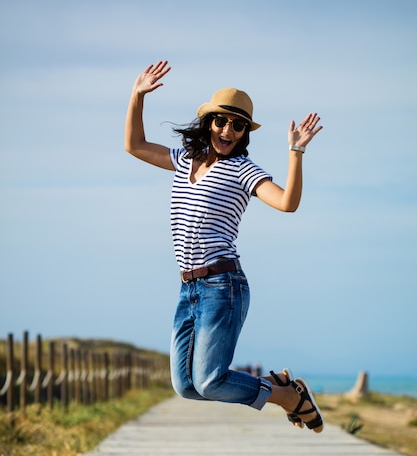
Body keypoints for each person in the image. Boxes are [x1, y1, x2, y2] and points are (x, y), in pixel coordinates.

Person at [125, 60, 324, 433]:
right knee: (186, 386)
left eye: (238, 125)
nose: (227, 130)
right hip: (189, 288)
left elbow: (287, 203)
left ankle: (288, 397)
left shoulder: (243, 170)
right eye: (221, 121)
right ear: (209, 122)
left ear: (245, 132)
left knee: (211, 380)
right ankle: (279, 388)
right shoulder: (185, 160)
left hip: (223, 286)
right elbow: (134, 145)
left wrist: (295, 153)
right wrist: (137, 96)